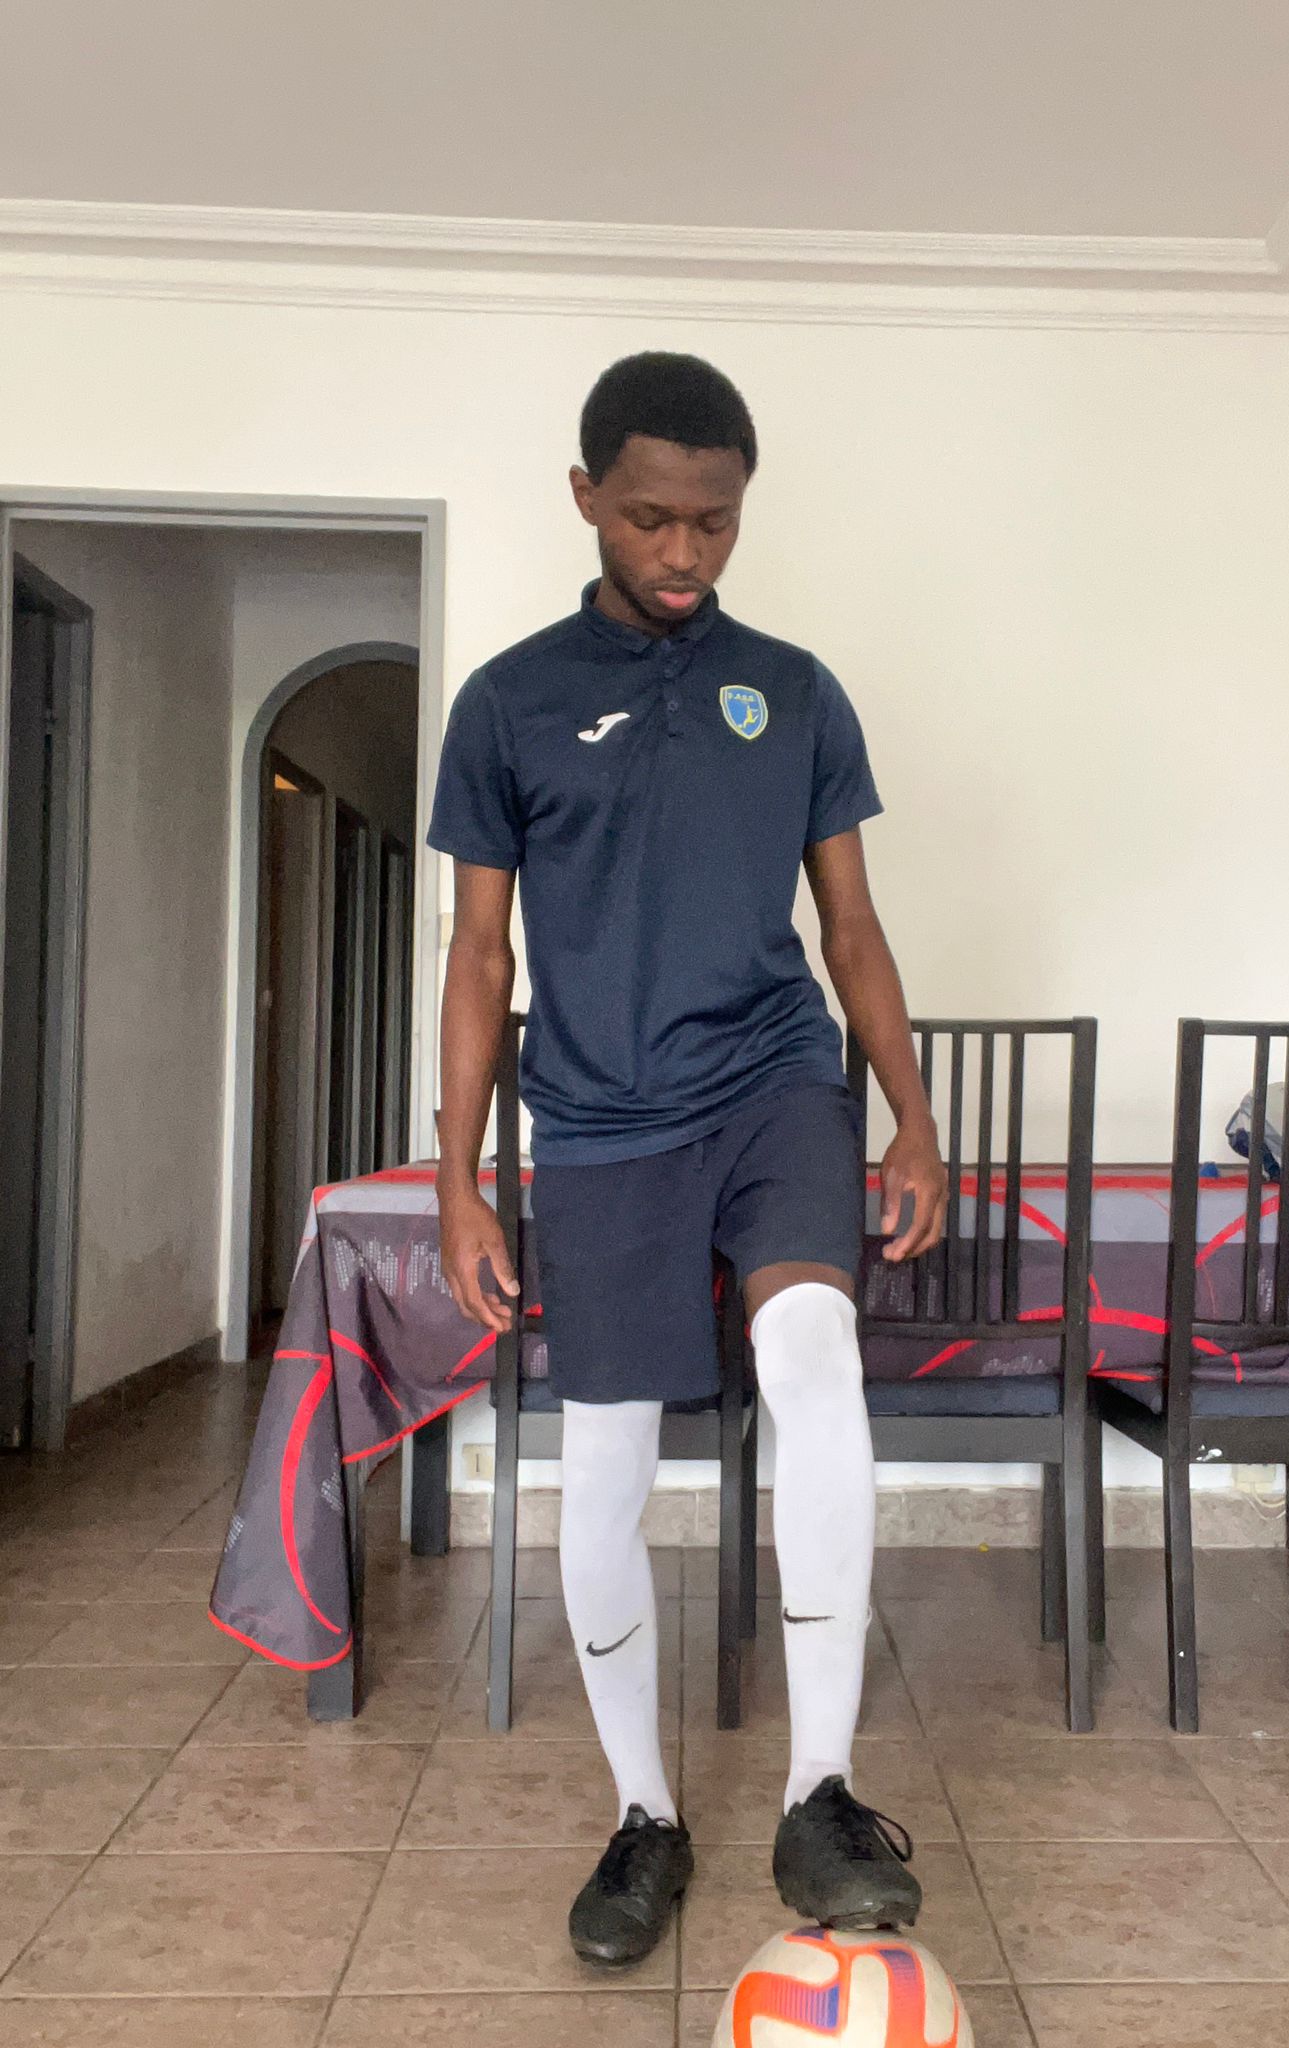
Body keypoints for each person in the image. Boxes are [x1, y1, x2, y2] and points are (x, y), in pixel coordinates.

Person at [428, 352, 947, 1969]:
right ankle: (646, 1816)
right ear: (587, 496)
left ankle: (819, 1794)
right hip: (595, 1121)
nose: (681, 551)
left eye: (713, 523)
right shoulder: (506, 701)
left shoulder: (794, 690)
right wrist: (458, 1177)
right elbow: (478, 956)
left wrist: (912, 1109)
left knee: (814, 1363)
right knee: (604, 1465)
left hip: (776, 1081)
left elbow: (849, 925)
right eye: (651, 517)